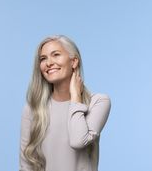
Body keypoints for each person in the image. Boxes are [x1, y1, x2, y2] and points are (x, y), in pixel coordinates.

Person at [19, 35, 111, 171]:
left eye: (56, 55)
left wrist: (75, 96)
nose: (48, 63)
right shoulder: (33, 108)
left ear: (73, 62)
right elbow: (26, 165)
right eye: (43, 59)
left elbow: (78, 141)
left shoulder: (98, 102)